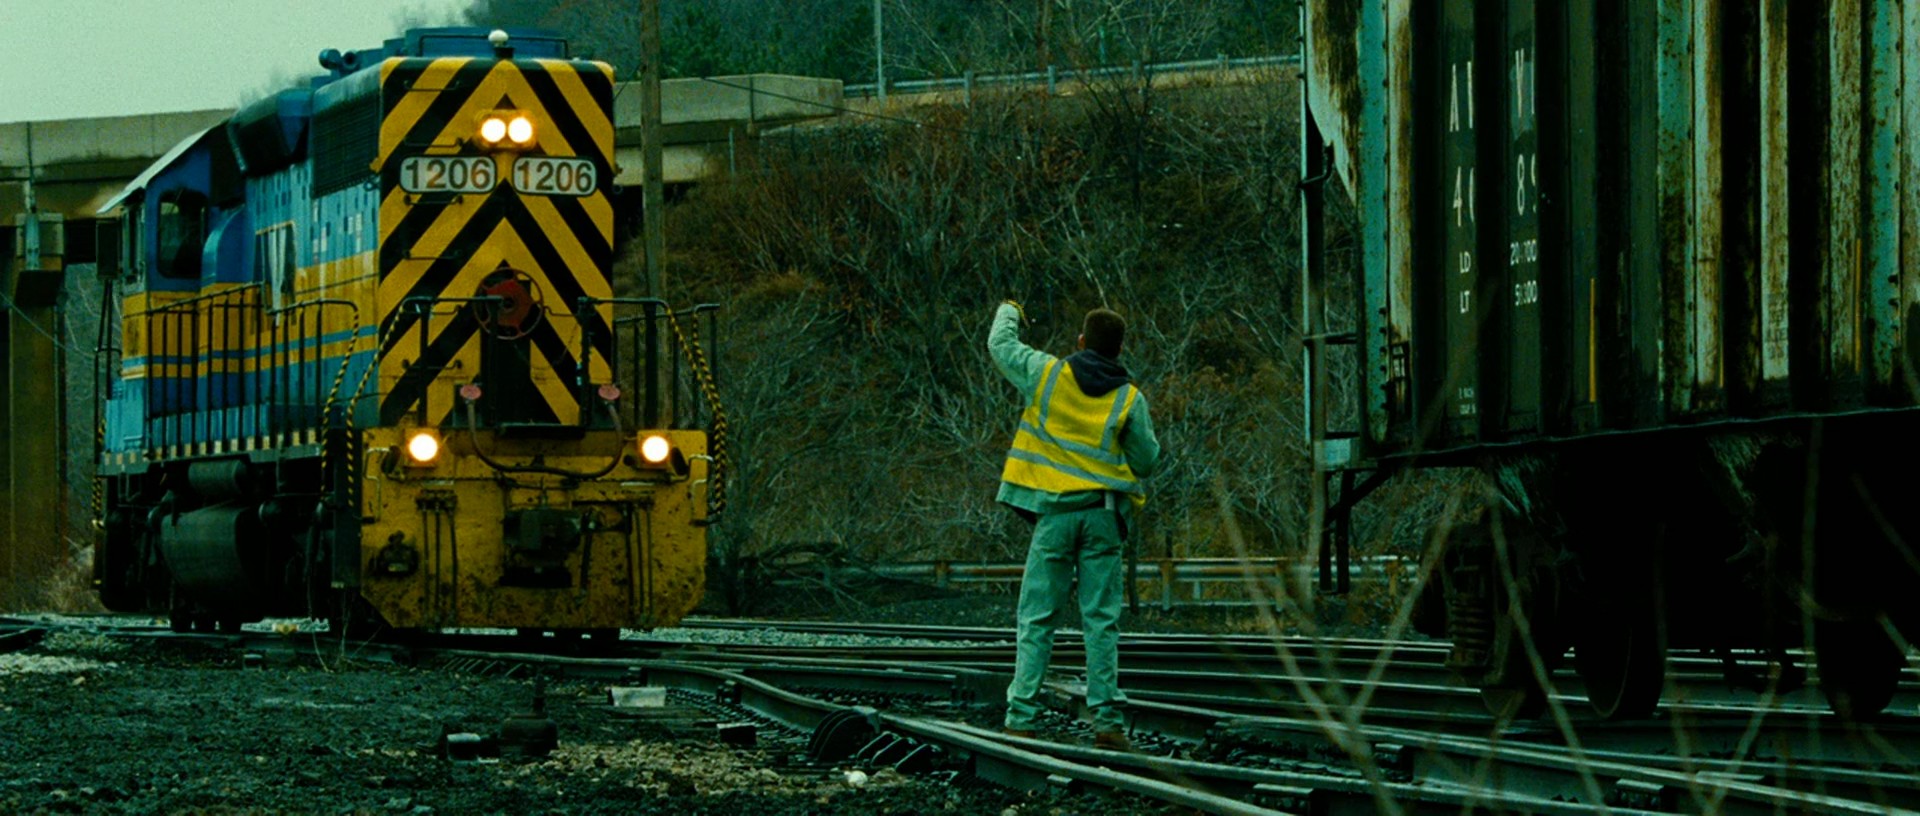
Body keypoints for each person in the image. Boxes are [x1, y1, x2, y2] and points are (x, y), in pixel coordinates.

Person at [988, 299, 1160, 750]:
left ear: (1081, 342)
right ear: (1119, 350)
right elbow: (1146, 461)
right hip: (1103, 515)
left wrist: (1010, 309)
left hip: (1056, 517)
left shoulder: (1046, 374)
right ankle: (1108, 724)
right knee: (1101, 621)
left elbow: (1000, 345)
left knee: (1037, 619)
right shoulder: (1129, 398)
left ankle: (1020, 718)